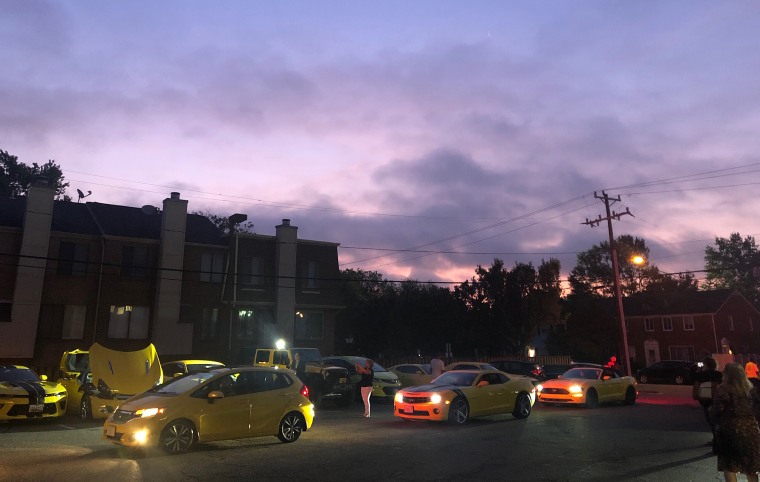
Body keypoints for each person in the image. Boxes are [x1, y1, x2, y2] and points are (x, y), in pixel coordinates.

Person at [709, 363, 760, 482]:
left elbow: (716, 412)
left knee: (729, 466)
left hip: (729, 432)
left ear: (727, 375)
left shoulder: (723, 390)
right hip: (750, 431)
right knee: (751, 467)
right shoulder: (751, 390)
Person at [693, 357, 723, 444]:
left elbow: (694, 381)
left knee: (710, 421)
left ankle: (716, 439)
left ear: (706, 365)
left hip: (705, 400)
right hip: (716, 400)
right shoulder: (718, 374)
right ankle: (718, 439)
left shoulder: (701, 375)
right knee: (718, 421)